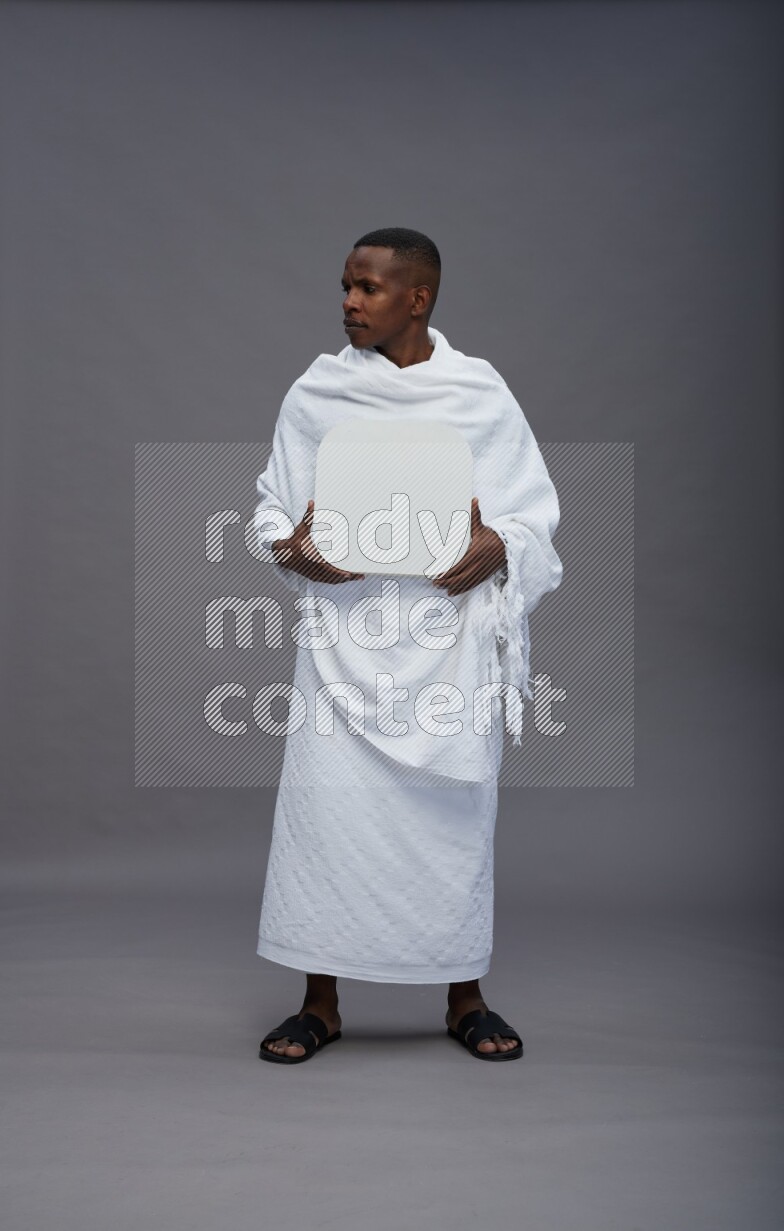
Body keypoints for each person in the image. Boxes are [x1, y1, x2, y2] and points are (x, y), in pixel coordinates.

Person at [253, 227, 563, 1063]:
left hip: (446, 649)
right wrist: (296, 550)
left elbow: (534, 514)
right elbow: (271, 515)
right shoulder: (317, 393)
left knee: (454, 820)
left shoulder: (479, 393)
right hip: (343, 646)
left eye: (368, 288)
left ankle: (465, 994)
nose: (350, 302)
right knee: (329, 818)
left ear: (416, 298)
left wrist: (501, 548)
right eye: (346, 287)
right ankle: (320, 1002)